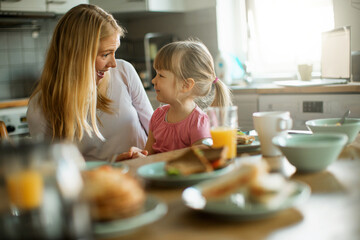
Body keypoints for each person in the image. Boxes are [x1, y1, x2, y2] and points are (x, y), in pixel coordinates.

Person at [26, 4, 153, 161]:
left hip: (146, 173)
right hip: (97, 184)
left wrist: (147, 154)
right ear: (77, 56)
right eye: (105, 54)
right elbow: (53, 172)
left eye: (114, 52)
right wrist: (111, 165)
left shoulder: (124, 71)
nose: (113, 63)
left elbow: (156, 132)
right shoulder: (40, 107)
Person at [142, 39, 232, 155]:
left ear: (186, 85)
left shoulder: (198, 123)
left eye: (161, 75)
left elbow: (198, 162)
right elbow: (148, 155)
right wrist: (139, 155)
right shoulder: (157, 116)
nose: (153, 80)